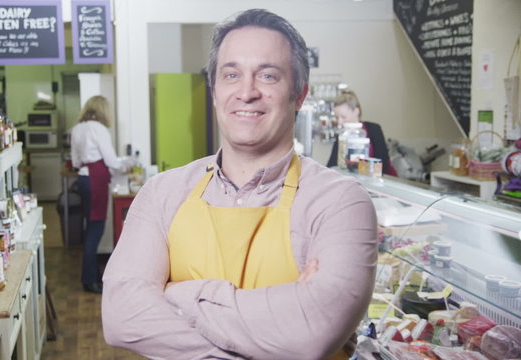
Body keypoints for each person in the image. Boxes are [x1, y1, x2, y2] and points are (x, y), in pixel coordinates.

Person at [102, 9, 377, 359]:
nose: (246, 92)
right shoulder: (161, 193)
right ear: (214, 90)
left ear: (299, 95)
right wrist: (280, 331)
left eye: (268, 76)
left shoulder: (340, 202)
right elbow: (121, 319)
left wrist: (177, 294)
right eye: (231, 75)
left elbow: (312, 334)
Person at [70, 95, 125, 294]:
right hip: (96, 180)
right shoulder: (99, 129)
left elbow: (75, 161)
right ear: (103, 111)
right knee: (96, 229)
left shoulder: (77, 129)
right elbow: (111, 160)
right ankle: (90, 279)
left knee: (90, 227)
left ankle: (92, 275)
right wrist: (124, 165)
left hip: (84, 179)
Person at [326, 89, 398, 176]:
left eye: (343, 117)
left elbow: (383, 165)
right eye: (337, 118)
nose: (340, 122)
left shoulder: (373, 130)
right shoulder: (342, 136)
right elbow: (331, 166)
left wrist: (357, 168)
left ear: (356, 111)